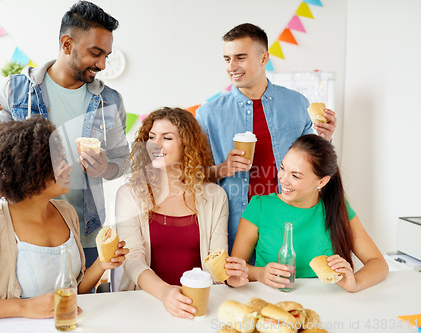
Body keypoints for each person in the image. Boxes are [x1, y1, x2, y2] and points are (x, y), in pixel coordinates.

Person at [0, 1, 130, 270]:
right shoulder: (17, 91)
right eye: (96, 53)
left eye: (106, 55)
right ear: (66, 44)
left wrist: (106, 167)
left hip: (85, 232)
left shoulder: (109, 101)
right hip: (24, 230)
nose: (102, 64)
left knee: (86, 307)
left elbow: (123, 160)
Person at [0, 116, 128, 323]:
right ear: (30, 170)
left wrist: (102, 264)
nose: (69, 167)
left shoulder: (66, 212)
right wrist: (24, 307)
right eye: (58, 162)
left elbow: (72, 291)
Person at [195, 23, 337, 254]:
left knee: (285, 284)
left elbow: (312, 164)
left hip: (288, 220)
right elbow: (193, 176)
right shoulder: (208, 114)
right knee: (237, 284)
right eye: (227, 59)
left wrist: (326, 137)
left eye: (240, 57)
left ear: (264, 59)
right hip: (232, 224)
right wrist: (223, 168)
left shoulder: (297, 103)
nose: (232, 66)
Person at [115, 108, 248, 319]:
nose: (155, 144)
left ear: (187, 144)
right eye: (151, 137)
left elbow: (216, 256)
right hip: (145, 302)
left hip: (199, 302)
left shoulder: (215, 196)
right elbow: (132, 259)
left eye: (167, 137)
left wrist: (229, 277)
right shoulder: (129, 195)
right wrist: (165, 293)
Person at [231, 134, 388, 292]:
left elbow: (378, 263)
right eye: (282, 168)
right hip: (272, 302)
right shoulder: (260, 207)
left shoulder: (337, 208)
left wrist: (355, 283)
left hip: (328, 303)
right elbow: (232, 271)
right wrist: (259, 274)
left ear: (322, 182)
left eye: (295, 176)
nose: (283, 180)